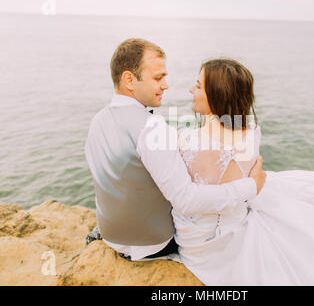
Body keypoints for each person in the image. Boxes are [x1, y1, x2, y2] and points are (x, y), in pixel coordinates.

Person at [174, 58, 314, 285]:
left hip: (211, 242)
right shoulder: (248, 131)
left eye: (198, 85)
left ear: (217, 92)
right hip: (236, 212)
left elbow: (199, 197)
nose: (191, 90)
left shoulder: (188, 140)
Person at [84, 39, 266, 261]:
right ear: (129, 80)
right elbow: (186, 200)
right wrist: (251, 186)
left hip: (111, 233)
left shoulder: (97, 121)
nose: (166, 85)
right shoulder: (151, 128)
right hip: (150, 244)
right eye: (158, 78)